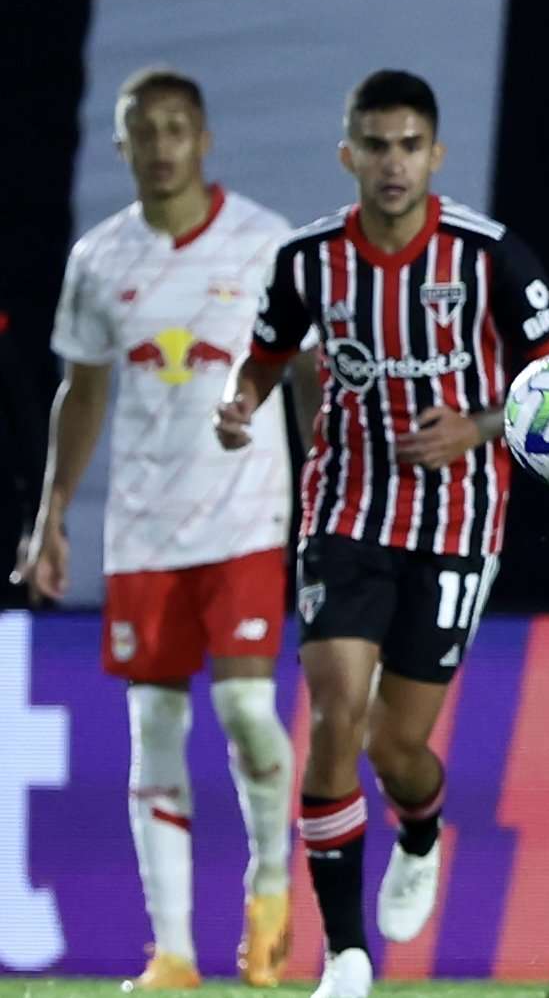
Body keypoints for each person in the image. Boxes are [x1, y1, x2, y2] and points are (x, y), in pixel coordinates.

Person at [215, 70, 549, 998]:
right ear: (348, 154)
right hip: (344, 509)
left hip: (459, 518)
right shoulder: (306, 262)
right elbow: (262, 357)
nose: (391, 163)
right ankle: (345, 954)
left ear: (436, 155)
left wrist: (478, 425)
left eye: (409, 145)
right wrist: (238, 402)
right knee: (335, 710)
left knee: (393, 746)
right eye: (374, 145)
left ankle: (419, 829)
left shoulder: (489, 257)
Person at [11, 68, 299, 990]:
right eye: (147, 130)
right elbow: (83, 389)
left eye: (180, 127)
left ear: (206, 138)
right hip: (142, 528)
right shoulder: (99, 259)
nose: (165, 145)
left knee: (246, 708)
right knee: (156, 727)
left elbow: (315, 372)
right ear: (123, 145)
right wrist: (51, 514)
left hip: (246, 513)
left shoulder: (264, 243)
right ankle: (173, 951)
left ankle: (270, 891)